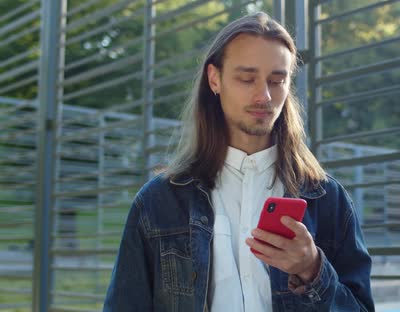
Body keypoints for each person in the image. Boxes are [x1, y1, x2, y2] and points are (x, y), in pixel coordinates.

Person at [103, 12, 374, 312]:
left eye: (277, 80)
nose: (264, 96)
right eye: (247, 78)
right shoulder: (158, 203)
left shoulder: (328, 201)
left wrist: (313, 270)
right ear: (214, 79)